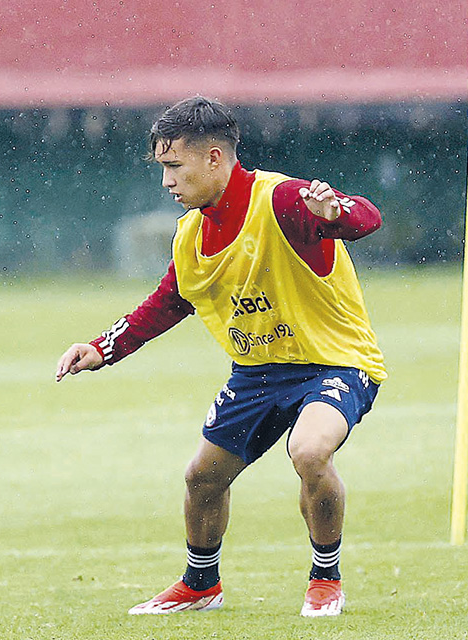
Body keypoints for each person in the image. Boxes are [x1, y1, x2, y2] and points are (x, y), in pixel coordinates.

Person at [55, 96, 385, 618]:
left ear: (214, 158)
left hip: (335, 362)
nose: (166, 182)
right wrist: (101, 348)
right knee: (201, 478)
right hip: (257, 373)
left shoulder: (282, 199)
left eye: (173, 167)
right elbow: (169, 301)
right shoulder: (190, 233)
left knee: (310, 451)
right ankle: (200, 584)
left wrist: (335, 213)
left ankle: (325, 578)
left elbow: (367, 218)